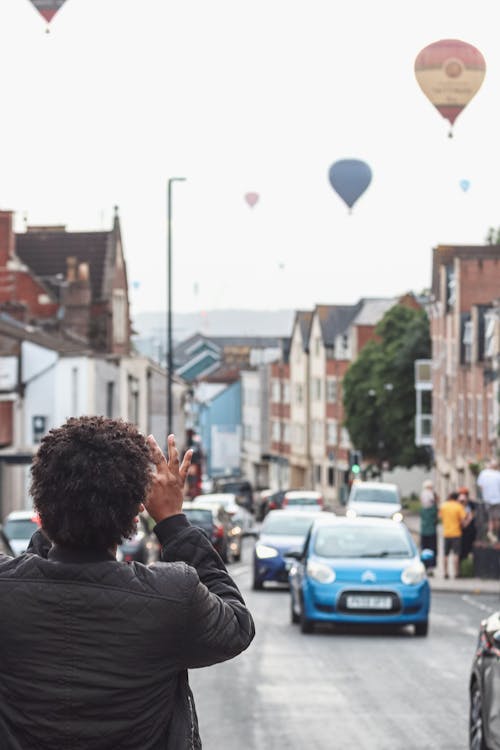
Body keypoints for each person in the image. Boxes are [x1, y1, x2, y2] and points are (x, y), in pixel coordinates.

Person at [0, 416, 255, 749]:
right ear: (137, 513)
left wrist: (58, 513)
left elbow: (29, 570)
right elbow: (236, 625)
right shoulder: (173, 596)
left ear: (40, 508)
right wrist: (174, 523)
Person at [439, 491, 467, 579]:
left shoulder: (444, 506)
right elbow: (463, 521)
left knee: (445, 554)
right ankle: (456, 573)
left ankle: (445, 573)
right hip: (456, 533)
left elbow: (440, 517)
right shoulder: (459, 507)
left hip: (446, 533)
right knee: (456, 554)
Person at [477, 459, 500, 542]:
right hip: (497, 499)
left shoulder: (484, 473)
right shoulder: (498, 474)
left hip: (487, 499)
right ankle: (496, 534)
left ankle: (490, 532)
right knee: (497, 518)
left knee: (490, 517)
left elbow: (480, 486)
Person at [419, 479, 438, 575]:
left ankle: (426, 565)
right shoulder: (432, 506)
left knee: (425, 548)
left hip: (425, 530)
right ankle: (430, 566)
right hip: (430, 531)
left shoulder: (424, 508)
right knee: (431, 548)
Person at [457, 487, 477, 563]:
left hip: (470, 529)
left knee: (470, 547)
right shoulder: (457, 504)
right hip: (460, 530)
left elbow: (473, 514)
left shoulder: (471, 504)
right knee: (461, 549)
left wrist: (467, 521)